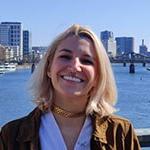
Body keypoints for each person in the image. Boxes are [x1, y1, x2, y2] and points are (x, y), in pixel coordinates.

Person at [0, 24, 140, 150]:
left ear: (98, 76)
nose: (74, 67)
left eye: (86, 60)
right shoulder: (11, 136)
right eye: (65, 57)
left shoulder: (121, 133)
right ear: (49, 68)